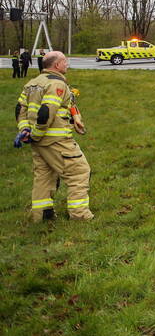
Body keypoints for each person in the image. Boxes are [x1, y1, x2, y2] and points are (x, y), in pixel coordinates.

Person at [14, 51, 92, 221]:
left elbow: (20, 110)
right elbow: (46, 112)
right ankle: (80, 215)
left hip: (39, 143)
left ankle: (42, 215)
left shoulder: (32, 84)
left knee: (44, 175)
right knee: (79, 172)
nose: (67, 64)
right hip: (56, 141)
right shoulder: (57, 84)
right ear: (56, 65)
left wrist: (25, 131)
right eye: (65, 61)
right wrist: (36, 134)